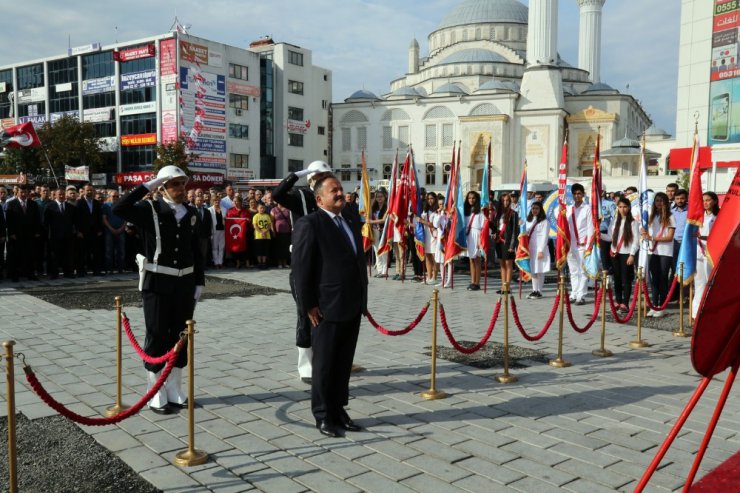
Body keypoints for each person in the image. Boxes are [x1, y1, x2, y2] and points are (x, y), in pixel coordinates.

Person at [113, 165, 205, 414]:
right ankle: (155, 391)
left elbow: (195, 249)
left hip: (184, 283)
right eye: (174, 184)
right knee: (157, 335)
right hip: (157, 282)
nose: (181, 189)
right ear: (163, 187)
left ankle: (175, 389)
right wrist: (149, 184)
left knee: (180, 337)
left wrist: (199, 281)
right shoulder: (149, 209)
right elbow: (118, 208)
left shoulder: (192, 212)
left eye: (182, 184)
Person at [291, 173, 368, 438]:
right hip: (324, 307)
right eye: (334, 190)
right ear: (319, 198)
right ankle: (323, 415)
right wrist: (308, 305)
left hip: (352, 303)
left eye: (341, 189)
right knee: (324, 364)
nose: (340, 194)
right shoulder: (309, 224)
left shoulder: (349, 219)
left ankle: (339, 410)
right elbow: (301, 270)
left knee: (343, 363)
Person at [272, 160, 329, 384]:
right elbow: (277, 194)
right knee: (305, 312)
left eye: (326, 175)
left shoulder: (330, 196)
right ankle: (305, 364)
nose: (324, 180)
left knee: (325, 312)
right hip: (304, 260)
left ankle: (322, 359)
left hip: (326, 260)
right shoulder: (301, 196)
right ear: (312, 179)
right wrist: (298, 175)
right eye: (320, 176)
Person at [641, 192, 675, 317]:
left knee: (662, 278)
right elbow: (646, 231)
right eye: (657, 201)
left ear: (665, 202)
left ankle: (662, 306)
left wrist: (652, 238)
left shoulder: (671, 217)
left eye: (661, 201)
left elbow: (670, 237)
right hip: (652, 251)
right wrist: (644, 232)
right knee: (653, 279)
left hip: (665, 252)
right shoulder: (651, 217)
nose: (659, 203)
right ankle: (654, 305)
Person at [608, 197, 639, 313]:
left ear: (629, 207)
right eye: (620, 207)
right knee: (617, 278)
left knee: (626, 279)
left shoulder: (633, 222)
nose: (622, 209)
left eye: (625, 207)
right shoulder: (614, 221)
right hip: (615, 253)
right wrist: (598, 234)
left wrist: (632, 255)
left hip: (626, 254)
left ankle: (625, 303)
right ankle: (618, 300)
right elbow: (610, 237)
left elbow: (636, 241)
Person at [6, 184, 41, 281]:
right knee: (16, 256)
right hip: (16, 235)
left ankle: (30, 274)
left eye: (25, 192)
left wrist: (37, 231)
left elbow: (37, 219)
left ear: (28, 193)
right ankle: (15, 275)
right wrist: (11, 233)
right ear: (17, 192)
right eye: (21, 192)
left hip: (30, 235)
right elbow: (9, 221)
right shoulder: (11, 204)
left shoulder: (33, 204)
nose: (23, 194)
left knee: (30, 255)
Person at [692, 192, 719, 318]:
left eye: (708, 200)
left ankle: (710, 310)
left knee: (711, 281)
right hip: (698, 252)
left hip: (712, 252)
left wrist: (702, 237)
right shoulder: (699, 216)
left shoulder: (719, 216)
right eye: (704, 200)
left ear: (714, 201)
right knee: (699, 282)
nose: (706, 203)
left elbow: (719, 236)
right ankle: (696, 311)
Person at [566, 183, 594, 305]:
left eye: (579, 193)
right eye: (575, 193)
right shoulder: (568, 209)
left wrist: (589, 245)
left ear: (583, 195)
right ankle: (574, 293)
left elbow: (590, 227)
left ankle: (581, 295)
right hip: (570, 244)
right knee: (573, 271)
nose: (577, 196)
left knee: (583, 271)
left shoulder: (587, 208)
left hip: (583, 244)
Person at [44, 188, 77, 279]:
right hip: (54, 236)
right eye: (60, 194)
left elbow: (74, 221)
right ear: (55, 195)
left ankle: (68, 272)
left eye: (63, 194)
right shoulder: (49, 206)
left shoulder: (70, 207)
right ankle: (54, 273)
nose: (62, 196)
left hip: (68, 236)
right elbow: (46, 223)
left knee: (68, 254)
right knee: (54, 256)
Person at [75, 183, 104, 276]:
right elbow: (77, 218)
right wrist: (78, 231)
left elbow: (99, 217)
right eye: (88, 190)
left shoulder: (96, 203)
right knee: (82, 253)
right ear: (83, 191)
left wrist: (100, 230)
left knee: (96, 252)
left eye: (91, 190)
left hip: (95, 232)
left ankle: (96, 271)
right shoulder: (79, 202)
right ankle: (81, 271)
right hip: (83, 232)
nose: (90, 192)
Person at [526, 202, 550, 299]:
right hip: (531, 248)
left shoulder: (544, 222)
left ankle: (539, 291)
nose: (535, 210)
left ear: (540, 210)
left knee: (539, 270)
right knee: (533, 270)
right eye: (533, 208)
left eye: (537, 208)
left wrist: (541, 250)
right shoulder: (529, 220)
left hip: (540, 248)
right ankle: (534, 290)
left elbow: (544, 237)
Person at [463, 191, 485, 291]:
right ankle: (472, 281)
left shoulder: (480, 212)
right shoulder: (466, 211)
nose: (471, 200)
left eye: (473, 198)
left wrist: (479, 241)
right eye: (469, 198)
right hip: (468, 235)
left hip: (477, 236)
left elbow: (483, 227)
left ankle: (477, 282)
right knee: (471, 259)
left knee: (477, 259)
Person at [496, 193, 518, 293]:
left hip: (508, 241)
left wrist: (512, 245)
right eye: (504, 200)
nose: (505, 202)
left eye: (507, 200)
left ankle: (508, 287)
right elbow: (497, 228)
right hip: (499, 241)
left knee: (508, 263)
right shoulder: (499, 213)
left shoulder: (513, 213)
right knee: (502, 264)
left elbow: (514, 231)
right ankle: (502, 286)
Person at [417, 192, 439, 283]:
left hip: (433, 235)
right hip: (426, 235)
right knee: (428, 256)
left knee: (434, 257)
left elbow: (433, 224)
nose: (430, 200)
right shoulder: (425, 210)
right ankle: (429, 277)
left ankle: (435, 277)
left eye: (432, 198)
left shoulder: (437, 211)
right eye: (428, 198)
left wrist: (422, 221)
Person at [103, 190, 126, 274]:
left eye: (117, 196)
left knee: (121, 251)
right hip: (109, 231)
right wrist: (111, 228)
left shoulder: (122, 205)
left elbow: (125, 218)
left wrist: (122, 228)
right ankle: (109, 269)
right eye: (113, 196)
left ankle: (120, 268)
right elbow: (104, 218)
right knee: (109, 251)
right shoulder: (106, 206)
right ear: (109, 197)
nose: (115, 198)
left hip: (121, 230)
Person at [226, 195, 251, 268]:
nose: (235, 202)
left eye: (236, 201)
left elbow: (249, 220)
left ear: (240, 202)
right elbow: (228, 220)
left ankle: (247, 262)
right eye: (234, 201)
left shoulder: (245, 211)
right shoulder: (230, 211)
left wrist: (247, 220)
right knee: (236, 248)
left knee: (246, 247)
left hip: (245, 233)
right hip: (235, 234)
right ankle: (237, 263)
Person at [369, 189, 389, 278]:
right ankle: (379, 270)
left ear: (385, 197)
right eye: (377, 196)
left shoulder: (387, 207)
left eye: (381, 196)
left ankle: (384, 271)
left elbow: (383, 220)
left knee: (383, 251)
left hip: (383, 231)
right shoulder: (374, 207)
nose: (379, 198)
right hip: (374, 231)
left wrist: (371, 221)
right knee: (376, 251)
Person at [192, 195, 212, 268]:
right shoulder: (192, 210)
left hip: (205, 235)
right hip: (195, 235)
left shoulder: (207, 211)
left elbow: (209, 223)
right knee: (195, 251)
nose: (199, 202)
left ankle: (203, 266)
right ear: (195, 201)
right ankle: (195, 266)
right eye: (198, 200)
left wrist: (209, 234)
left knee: (203, 252)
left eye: (201, 200)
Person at [271, 202, 292, 268]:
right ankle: (279, 263)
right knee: (279, 247)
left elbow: (290, 220)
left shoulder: (287, 209)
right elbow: (271, 221)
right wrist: (273, 230)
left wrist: (291, 229)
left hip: (287, 231)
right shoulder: (274, 209)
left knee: (286, 247)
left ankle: (285, 263)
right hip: (278, 231)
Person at [252, 202, 272, 269]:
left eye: (263, 208)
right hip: (258, 236)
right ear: (257, 208)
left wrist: (265, 232)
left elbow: (269, 225)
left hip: (267, 235)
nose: (262, 209)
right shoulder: (255, 216)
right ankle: (259, 263)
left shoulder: (267, 216)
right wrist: (261, 232)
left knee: (265, 250)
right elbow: (255, 226)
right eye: (260, 208)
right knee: (259, 250)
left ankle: (264, 263)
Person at [209, 196, 225, 269]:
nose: (217, 202)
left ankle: (220, 262)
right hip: (214, 231)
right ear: (212, 201)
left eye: (218, 200)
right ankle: (216, 263)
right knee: (215, 248)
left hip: (222, 230)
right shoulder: (209, 210)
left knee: (221, 247)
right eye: (215, 200)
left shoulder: (224, 209)